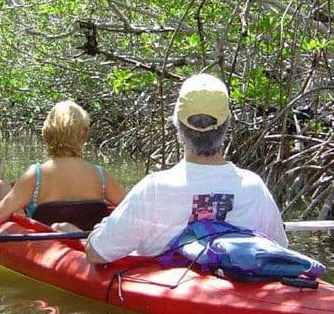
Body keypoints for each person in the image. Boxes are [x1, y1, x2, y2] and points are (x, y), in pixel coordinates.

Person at [85, 73, 288, 264]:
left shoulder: (154, 188)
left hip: (168, 295)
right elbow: (280, 248)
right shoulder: (254, 187)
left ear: (177, 125)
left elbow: (97, 253)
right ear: (227, 124)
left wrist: (99, 231)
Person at [0, 100, 126, 231]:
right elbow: (134, 210)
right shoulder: (101, 175)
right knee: (7, 189)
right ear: (84, 134)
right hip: (84, 241)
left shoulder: (36, 174)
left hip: (49, 243)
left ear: (47, 133)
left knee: (2, 188)